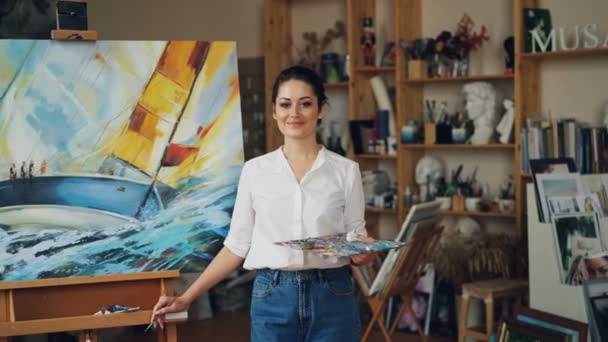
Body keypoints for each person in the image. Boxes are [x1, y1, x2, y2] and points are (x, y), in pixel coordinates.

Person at [151, 65, 375, 341]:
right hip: (273, 297)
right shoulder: (255, 171)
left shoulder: (346, 170)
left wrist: (363, 251)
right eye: (285, 104)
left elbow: (356, 237)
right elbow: (236, 246)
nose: (294, 113)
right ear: (274, 111)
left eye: (305, 104)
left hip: (332, 295)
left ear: (321, 110)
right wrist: (186, 297)